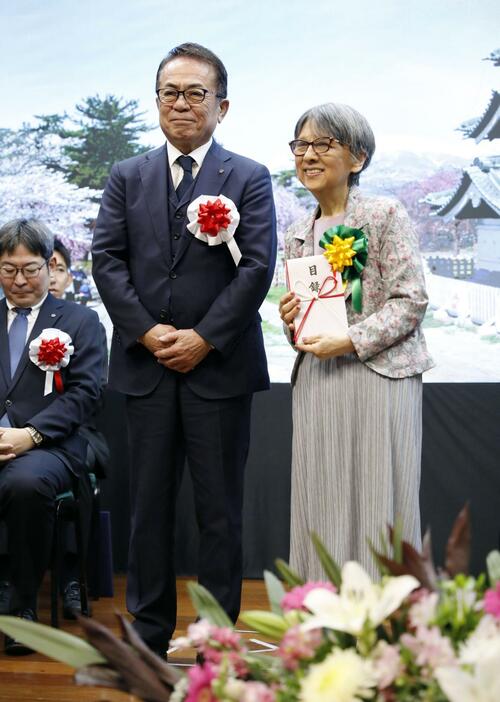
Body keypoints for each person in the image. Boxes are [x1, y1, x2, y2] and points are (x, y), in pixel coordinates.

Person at [92, 42, 276, 655]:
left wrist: (204, 338)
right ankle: (148, 635)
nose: (182, 104)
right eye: (171, 92)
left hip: (217, 369)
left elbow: (256, 268)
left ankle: (216, 640)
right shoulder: (126, 176)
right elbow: (107, 260)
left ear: (222, 106)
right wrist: (146, 331)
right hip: (145, 370)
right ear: (156, 102)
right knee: (147, 510)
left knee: (218, 512)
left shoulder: (248, 177)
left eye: (197, 93)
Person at [279, 103, 434, 579]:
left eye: (323, 144)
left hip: (378, 378)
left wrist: (348, 339)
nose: (308, 155)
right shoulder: (296, 234)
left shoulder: (386, 215)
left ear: (358, 158)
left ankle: (384, 631)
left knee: (378, 502)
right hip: (319, 381)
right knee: (319, 498)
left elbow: (412, 299)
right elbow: (310, 322)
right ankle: (319, 622)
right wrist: (292, 321)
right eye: (300, 145)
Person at [0, 218, 102, 654]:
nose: (20, 280)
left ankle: (23, 606)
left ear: (50, 265)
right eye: (8, 269)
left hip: (50, 446)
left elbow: (86, 393)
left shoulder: (79, 321)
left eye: (31, 268)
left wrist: (32, 435)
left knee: (24, 483)